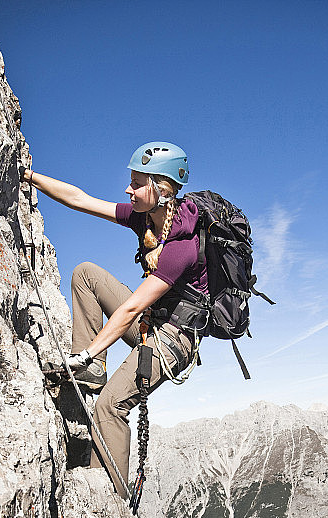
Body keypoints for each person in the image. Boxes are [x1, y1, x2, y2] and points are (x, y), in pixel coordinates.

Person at [21, 142, 206, 498]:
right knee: (86, 273)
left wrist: (88, 351)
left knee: (110, 406)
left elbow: (130, 310)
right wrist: (29, 177)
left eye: (136, 183)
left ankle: (109, 501)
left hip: (175, 340)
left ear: (161, 189)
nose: (127, 189)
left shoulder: (181, 245)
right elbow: (80, 199)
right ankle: (91, 372)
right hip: (154, 321)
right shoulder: (144, 218)